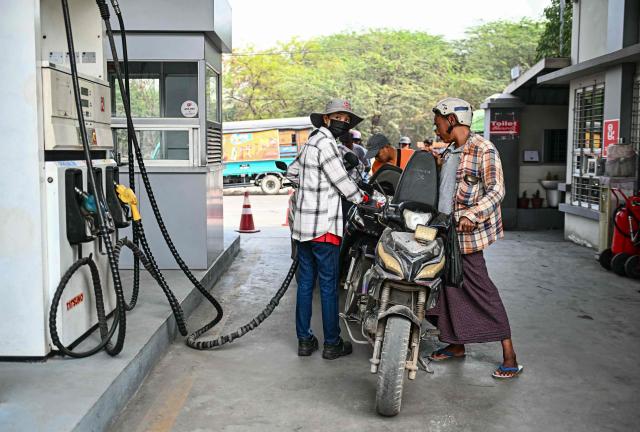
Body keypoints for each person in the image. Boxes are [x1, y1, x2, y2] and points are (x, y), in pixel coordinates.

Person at [426, 97, 522, 379]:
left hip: (466, 237)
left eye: (439, 123)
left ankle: (510, 355)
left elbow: (496, 190)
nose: (436, 128)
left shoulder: (484, 149)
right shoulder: (449, 152)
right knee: (447, 289)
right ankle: (456, 345)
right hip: (443, 233)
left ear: (452, 120)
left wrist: (472, 214)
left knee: (482, 291)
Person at [286, 98, 366, 360]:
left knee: (307, 284)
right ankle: (332, 342)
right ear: (325, 119)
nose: (343, 122)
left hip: (303, 227)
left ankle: (305, 341)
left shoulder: (310, 142)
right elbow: (343, 182)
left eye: (346, 119)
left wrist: (311, 189)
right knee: (330, 286)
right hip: (324, 228)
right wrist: (366, 200)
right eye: (338, 118)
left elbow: (292, 173)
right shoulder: (327, 144)